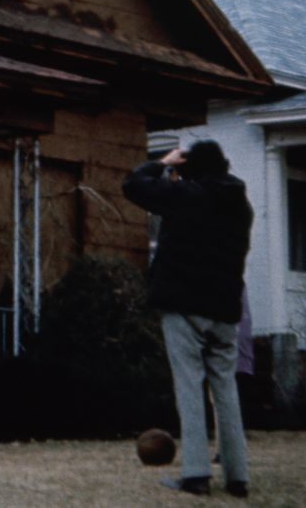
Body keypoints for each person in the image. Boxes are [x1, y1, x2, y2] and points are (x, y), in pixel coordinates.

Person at [122, 140, 252, 498]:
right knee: (225, 391)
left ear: (191, 169)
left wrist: (163, 162)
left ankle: (195, 475)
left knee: (190, 388)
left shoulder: (186, 196)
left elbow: (133, 185)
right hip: (226, 309)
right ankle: (237, 476)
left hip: (184, 306)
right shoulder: (240, 203)